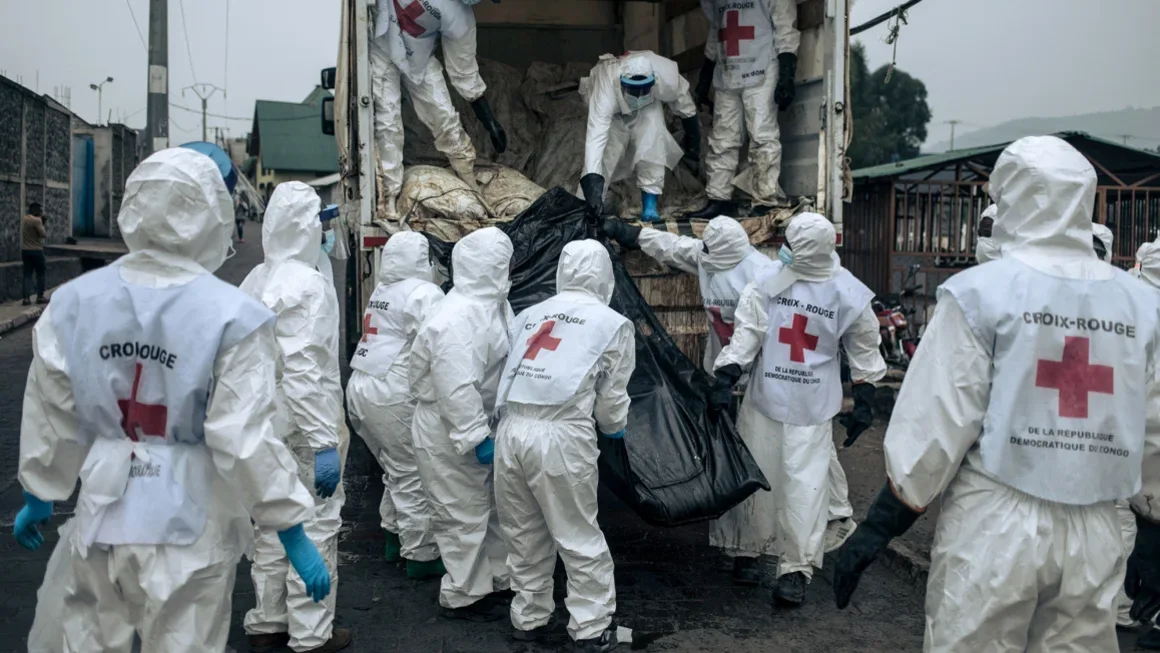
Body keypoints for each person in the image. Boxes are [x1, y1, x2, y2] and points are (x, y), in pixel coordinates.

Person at [833, 136, 1160, 652]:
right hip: (1098, 533)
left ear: (1011, 199)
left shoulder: (981, 293)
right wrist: (1155, 529)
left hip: (996, 526)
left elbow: (938, 421)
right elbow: (1153, 426)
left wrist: (879, 526)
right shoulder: (1142, 306)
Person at [14, 147, 330, 651]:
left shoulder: (73, 302)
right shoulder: (234, 315)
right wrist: (289, 527)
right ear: (214, 214)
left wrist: (39, 489)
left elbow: (53, 405)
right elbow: (241, 435)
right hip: (190, 519)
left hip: (102, 513)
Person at [602, 215, 860, 585]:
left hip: (762, 375)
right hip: (723, 371)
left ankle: (834, 512)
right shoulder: (707, 258)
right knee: (737, 455)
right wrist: (628, 233)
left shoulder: (764, 273)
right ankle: (745, 546)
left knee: (799, 453)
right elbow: (672, 247)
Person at [706, 212, 884, 605]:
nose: (783, 251)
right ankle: (746, 552)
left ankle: (795, 570)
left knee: (805, 489)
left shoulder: (848, 293)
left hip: (812, 408)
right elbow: (747, 333)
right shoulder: (768, 282)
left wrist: (865, 400)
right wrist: (726, 376)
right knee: (756, 479)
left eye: (790, 245)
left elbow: (864, 348)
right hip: (764, 398)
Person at [494, 239, 634, 652]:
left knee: (522, 530)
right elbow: (611, 400)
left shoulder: (530, 313)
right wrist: (614, 430)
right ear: (605, 275)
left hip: (511, 430)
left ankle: (529, 616)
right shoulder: (610, 323)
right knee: (576, 532)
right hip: (561, 433)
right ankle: (591, 627)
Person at [240, 182, 351, 653]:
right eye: (321, 224)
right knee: (316, 522)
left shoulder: (255, 279)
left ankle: (268, 623)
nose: (326, 232)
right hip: (305, 427)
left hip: (261, 425)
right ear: (306, 228)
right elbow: (305, 369)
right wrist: (325, 441)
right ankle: (310, 635)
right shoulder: (307, 284)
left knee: (271, 521)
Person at [410, 226, 513, 621]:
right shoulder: (458, 315)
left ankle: (497, 576)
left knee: (491, 507)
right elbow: (455, 384)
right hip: (447, 425)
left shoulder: (493, 304)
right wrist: (475, 436)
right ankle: (463, 592)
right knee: (460, 511)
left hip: (477, 422)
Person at [346, 231, 446, 577]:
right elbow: (437, 346)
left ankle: (394, 537)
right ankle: (422, 556)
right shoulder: (424, 293)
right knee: (414, 472)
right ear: (421, 261)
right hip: (390, 392)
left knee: (394, 468)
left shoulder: (383, 289)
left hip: (361, 386)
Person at [370, 0, 507, 219]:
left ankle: (471, 186)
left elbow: (464, 72)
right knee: (388, 122)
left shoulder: (461, 20)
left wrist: (490, 122)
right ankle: (389, 198)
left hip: (419, 59)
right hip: (383, 46)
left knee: (446, 120)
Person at [687, 0, 800, 218]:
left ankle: (765, 198)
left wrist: (787, 72)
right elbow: (716, 29)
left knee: (762, 134)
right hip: (727, 71)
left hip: (762, 69)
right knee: (722, 139)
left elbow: (785, 26)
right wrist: (706, 74)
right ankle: (718, 198)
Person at [578, 51, 700, 223]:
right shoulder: (605, 89)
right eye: (632, 90)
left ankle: (650, 207)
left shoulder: (666, 78)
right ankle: (586, 206)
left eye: (643, 89)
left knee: (653, 140)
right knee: (607, 152)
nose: (637, 95)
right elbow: (595, 138)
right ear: (621, 83)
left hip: (648, 105)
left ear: (654, 81)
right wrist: (591, 182)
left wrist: (694, 145)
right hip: (614, 109)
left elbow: (686, 108)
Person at [21, 201, 48, 305]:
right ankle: (40, 297)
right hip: (37, 251)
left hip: (25, 251)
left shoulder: (25, 218)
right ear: (36, 211)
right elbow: (43, 234)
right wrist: (43, 222)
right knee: (41, 274)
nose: (41, 212)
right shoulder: (37, 220)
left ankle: (26, 299)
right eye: (40, 210)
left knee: (27, 274)